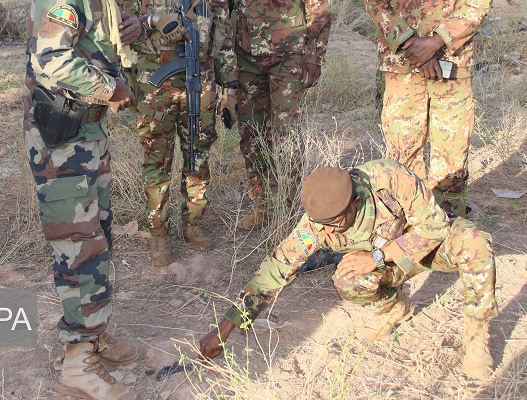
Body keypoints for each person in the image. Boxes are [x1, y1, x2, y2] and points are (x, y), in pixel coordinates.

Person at [24, 0, 170, 400]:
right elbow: (52, 59)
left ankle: (96, 333)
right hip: (62, 139)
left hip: (87, 135)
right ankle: (76, 363)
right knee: (77, 245)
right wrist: (112, 89)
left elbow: (88, 42)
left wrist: (121, 37)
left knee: (98, 238)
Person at [198, 159, 497, 380]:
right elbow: (275, 269)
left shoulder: (389, 180)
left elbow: (436, 226)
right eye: (321, 224)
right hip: (390, 265)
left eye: (334, 223)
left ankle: (476, 337)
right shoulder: (316, 224)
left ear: (356, 201)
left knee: (476, 243)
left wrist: (378, 257)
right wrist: (225, 327)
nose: (326, 230)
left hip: (426, 249)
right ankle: (394, 309)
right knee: (347, 278)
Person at [363, 0, 496, 217]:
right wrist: (413, 46)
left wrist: (438, 40)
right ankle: (408, 218)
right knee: (403, 146)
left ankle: (448, 220)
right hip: (403, 67)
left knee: (452, 147)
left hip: (452, 66)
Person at [212, 0, 332, 230]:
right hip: (244, 58)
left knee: (286, 136)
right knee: (251, 134)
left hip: (289, 58)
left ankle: (289, 206)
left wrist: (314, 56)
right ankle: (262, 204)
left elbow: (319, 5)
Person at [125, 0, 238, 266]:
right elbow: (119, 24)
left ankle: (194, 223)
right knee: (156, 159)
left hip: (198, 82)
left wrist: (230, 88)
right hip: (154, 84)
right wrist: (154, 19)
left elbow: (223, 39)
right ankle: (158, 233)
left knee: (197, 154)